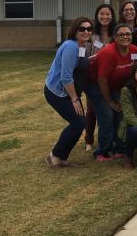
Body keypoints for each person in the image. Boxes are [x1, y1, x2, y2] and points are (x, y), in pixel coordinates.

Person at [88, 23, 137, 161]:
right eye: (121, 34)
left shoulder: (134, 50)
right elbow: (102, 80)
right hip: (97, 87)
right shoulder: (108, 53)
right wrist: (110, 101)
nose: (125, 37)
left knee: (121, 115)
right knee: (107, 116)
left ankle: (118, 148)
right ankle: (101, 152)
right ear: (115, 38)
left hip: (116, 87)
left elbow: (133, 73)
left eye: (128, 34)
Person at [43, 17, 92, 167]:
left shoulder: (80, 45)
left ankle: (61, 158)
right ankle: (55, 156)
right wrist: (74, 99)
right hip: (57, 93)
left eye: (89, 29)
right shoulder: (71, 47)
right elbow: (65, 77)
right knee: (78, 122)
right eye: (82, 29)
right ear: (75, 31)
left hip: (66, 92)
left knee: (79, 122)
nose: (86, 31)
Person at [85, 3, 117, 151]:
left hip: (112, 78)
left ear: (112, 16)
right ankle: (89, 141)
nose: (105, 17)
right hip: (93, 79)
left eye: (108, 14)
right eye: (102, 14)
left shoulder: (116, 34)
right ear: (97, 16)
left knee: (110, 110)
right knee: (92, 110)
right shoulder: (91, 35)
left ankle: (111, 140)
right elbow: (84, 56)